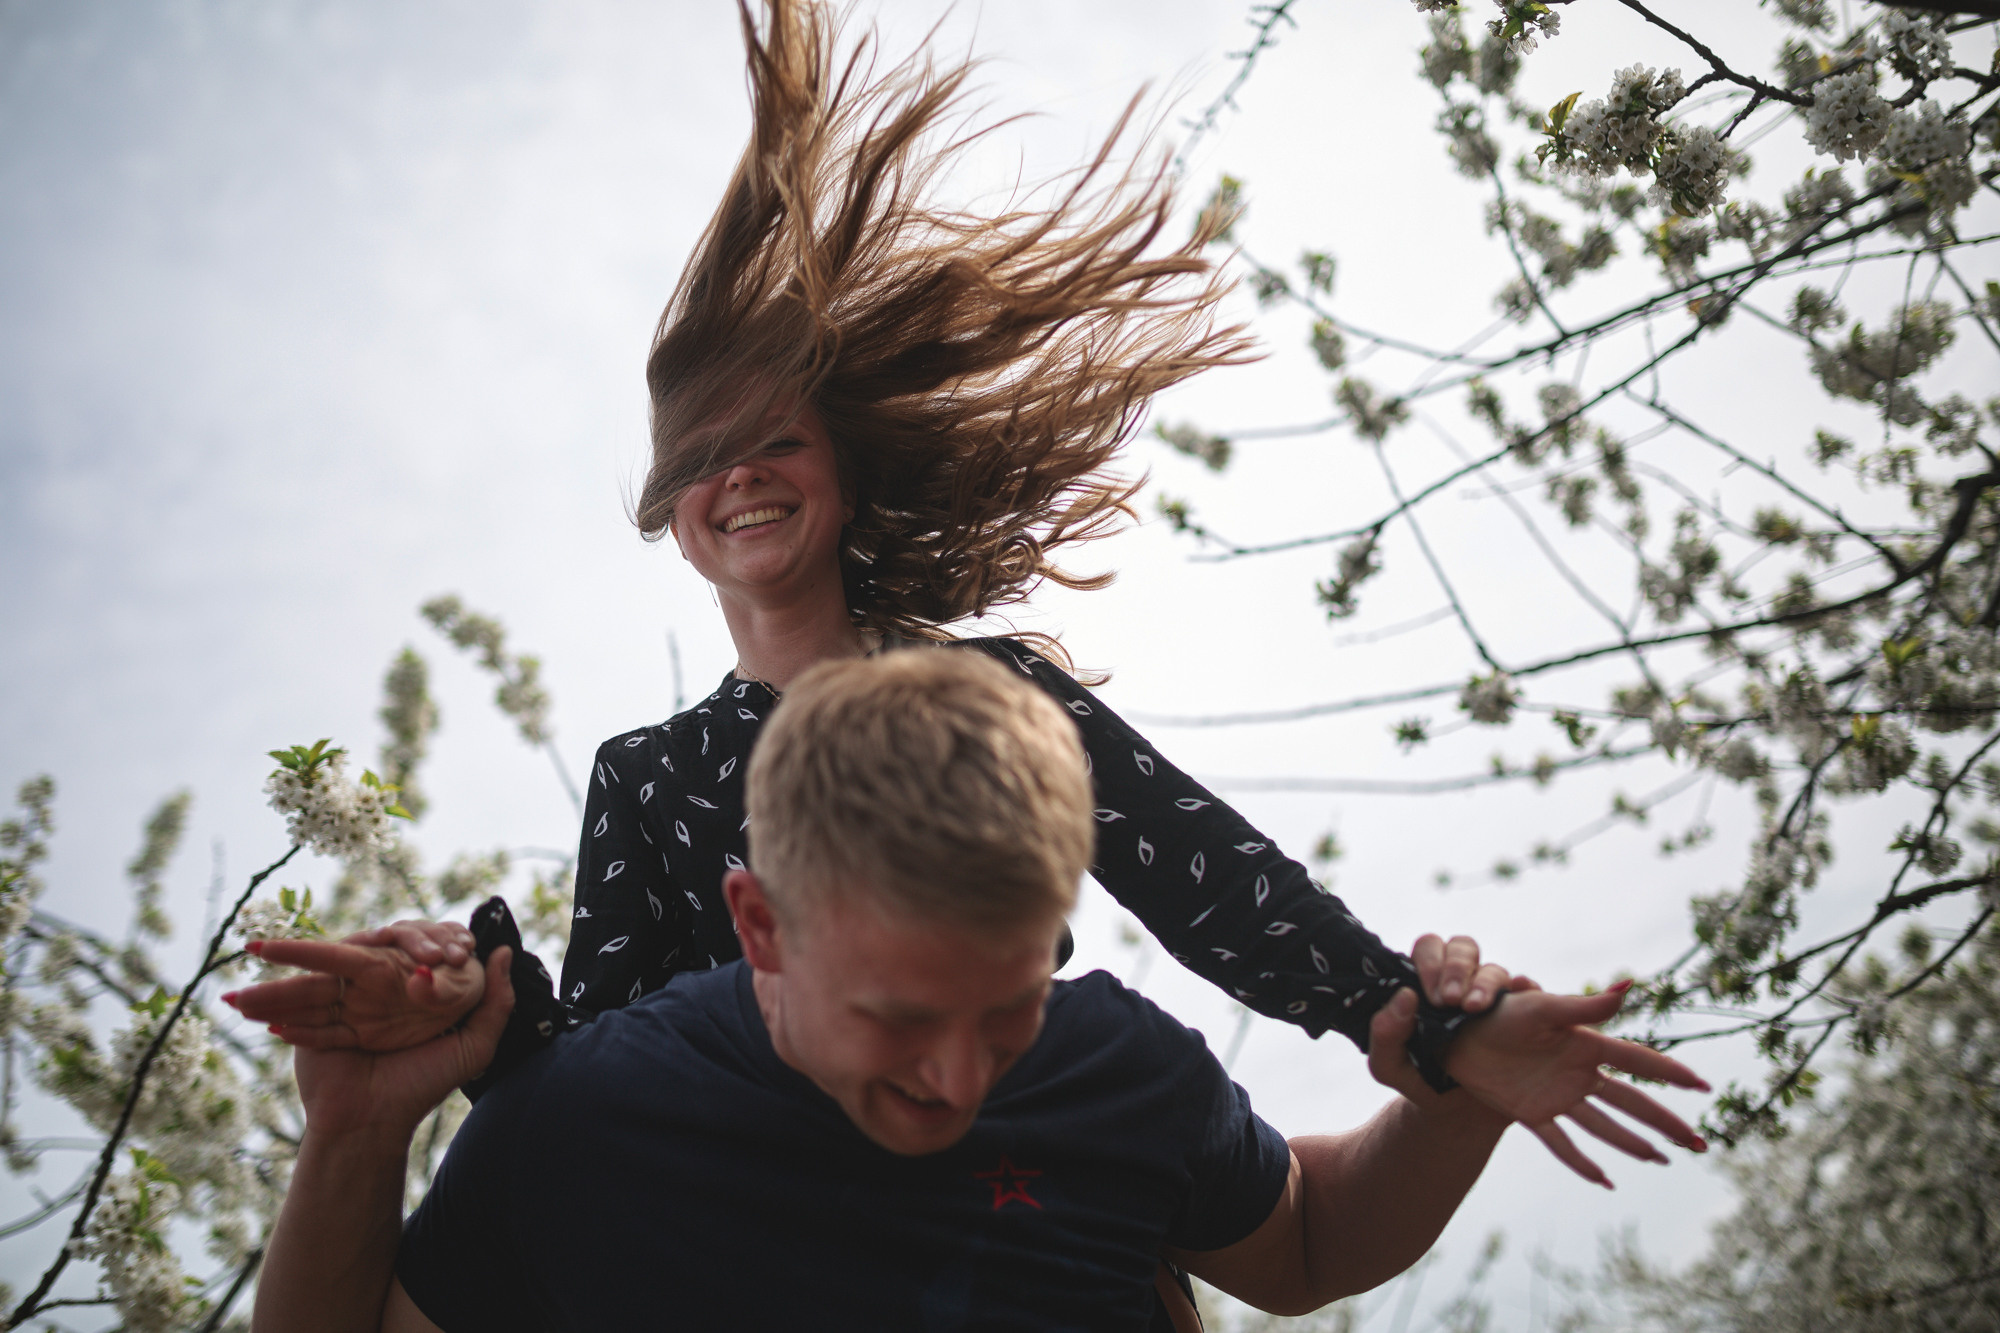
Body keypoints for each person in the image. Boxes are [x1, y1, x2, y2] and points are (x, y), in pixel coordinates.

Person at [234, 0, 1596, 1166]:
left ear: (839, 471)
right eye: (704, 459)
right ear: (674, 520)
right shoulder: (650, 772)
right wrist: (483, 1010)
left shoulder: (992, 693)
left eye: (779, 439)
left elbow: (1206, 872)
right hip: (769, 1230)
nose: (745, 476)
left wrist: (1400, 1011)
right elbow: (605, 1055)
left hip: (1029, 1182)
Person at [250, 653, 1708, 1332]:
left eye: (1009, 1007)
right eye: (898, 1014)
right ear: (758, 923)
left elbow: (1310, 1238)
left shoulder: (1119, 1063)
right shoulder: (585, 1123)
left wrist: (1456, 1093)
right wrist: (360, 1133)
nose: (958, 1078)